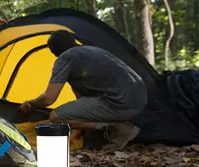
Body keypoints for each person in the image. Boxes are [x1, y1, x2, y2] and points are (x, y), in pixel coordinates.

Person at [19, 30, 148, 150]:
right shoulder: (92, 50)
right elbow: (81, 97)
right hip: (140, 99)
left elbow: (49, 98)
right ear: (73, 41)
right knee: (75, 109)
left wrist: (31, 104)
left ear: (53, 50)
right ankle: (110, 126)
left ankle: (115, 127)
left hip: (119, 101)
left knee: (56, 117)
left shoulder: (66, 58)